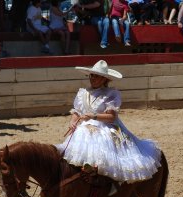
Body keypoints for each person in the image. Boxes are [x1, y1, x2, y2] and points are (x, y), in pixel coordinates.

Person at [56, 60, 162, 190]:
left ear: (104, 79)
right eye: (91, 75)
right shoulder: (82, 93)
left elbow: (111, 117)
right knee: (76, 141)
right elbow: (77, 112)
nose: (93, 78)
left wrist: (93, 116)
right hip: (85, 126)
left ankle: (110, 182)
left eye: (96, 76)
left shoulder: (111, 94)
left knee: (104, 147)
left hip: (106, 126)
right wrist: (72, 122)